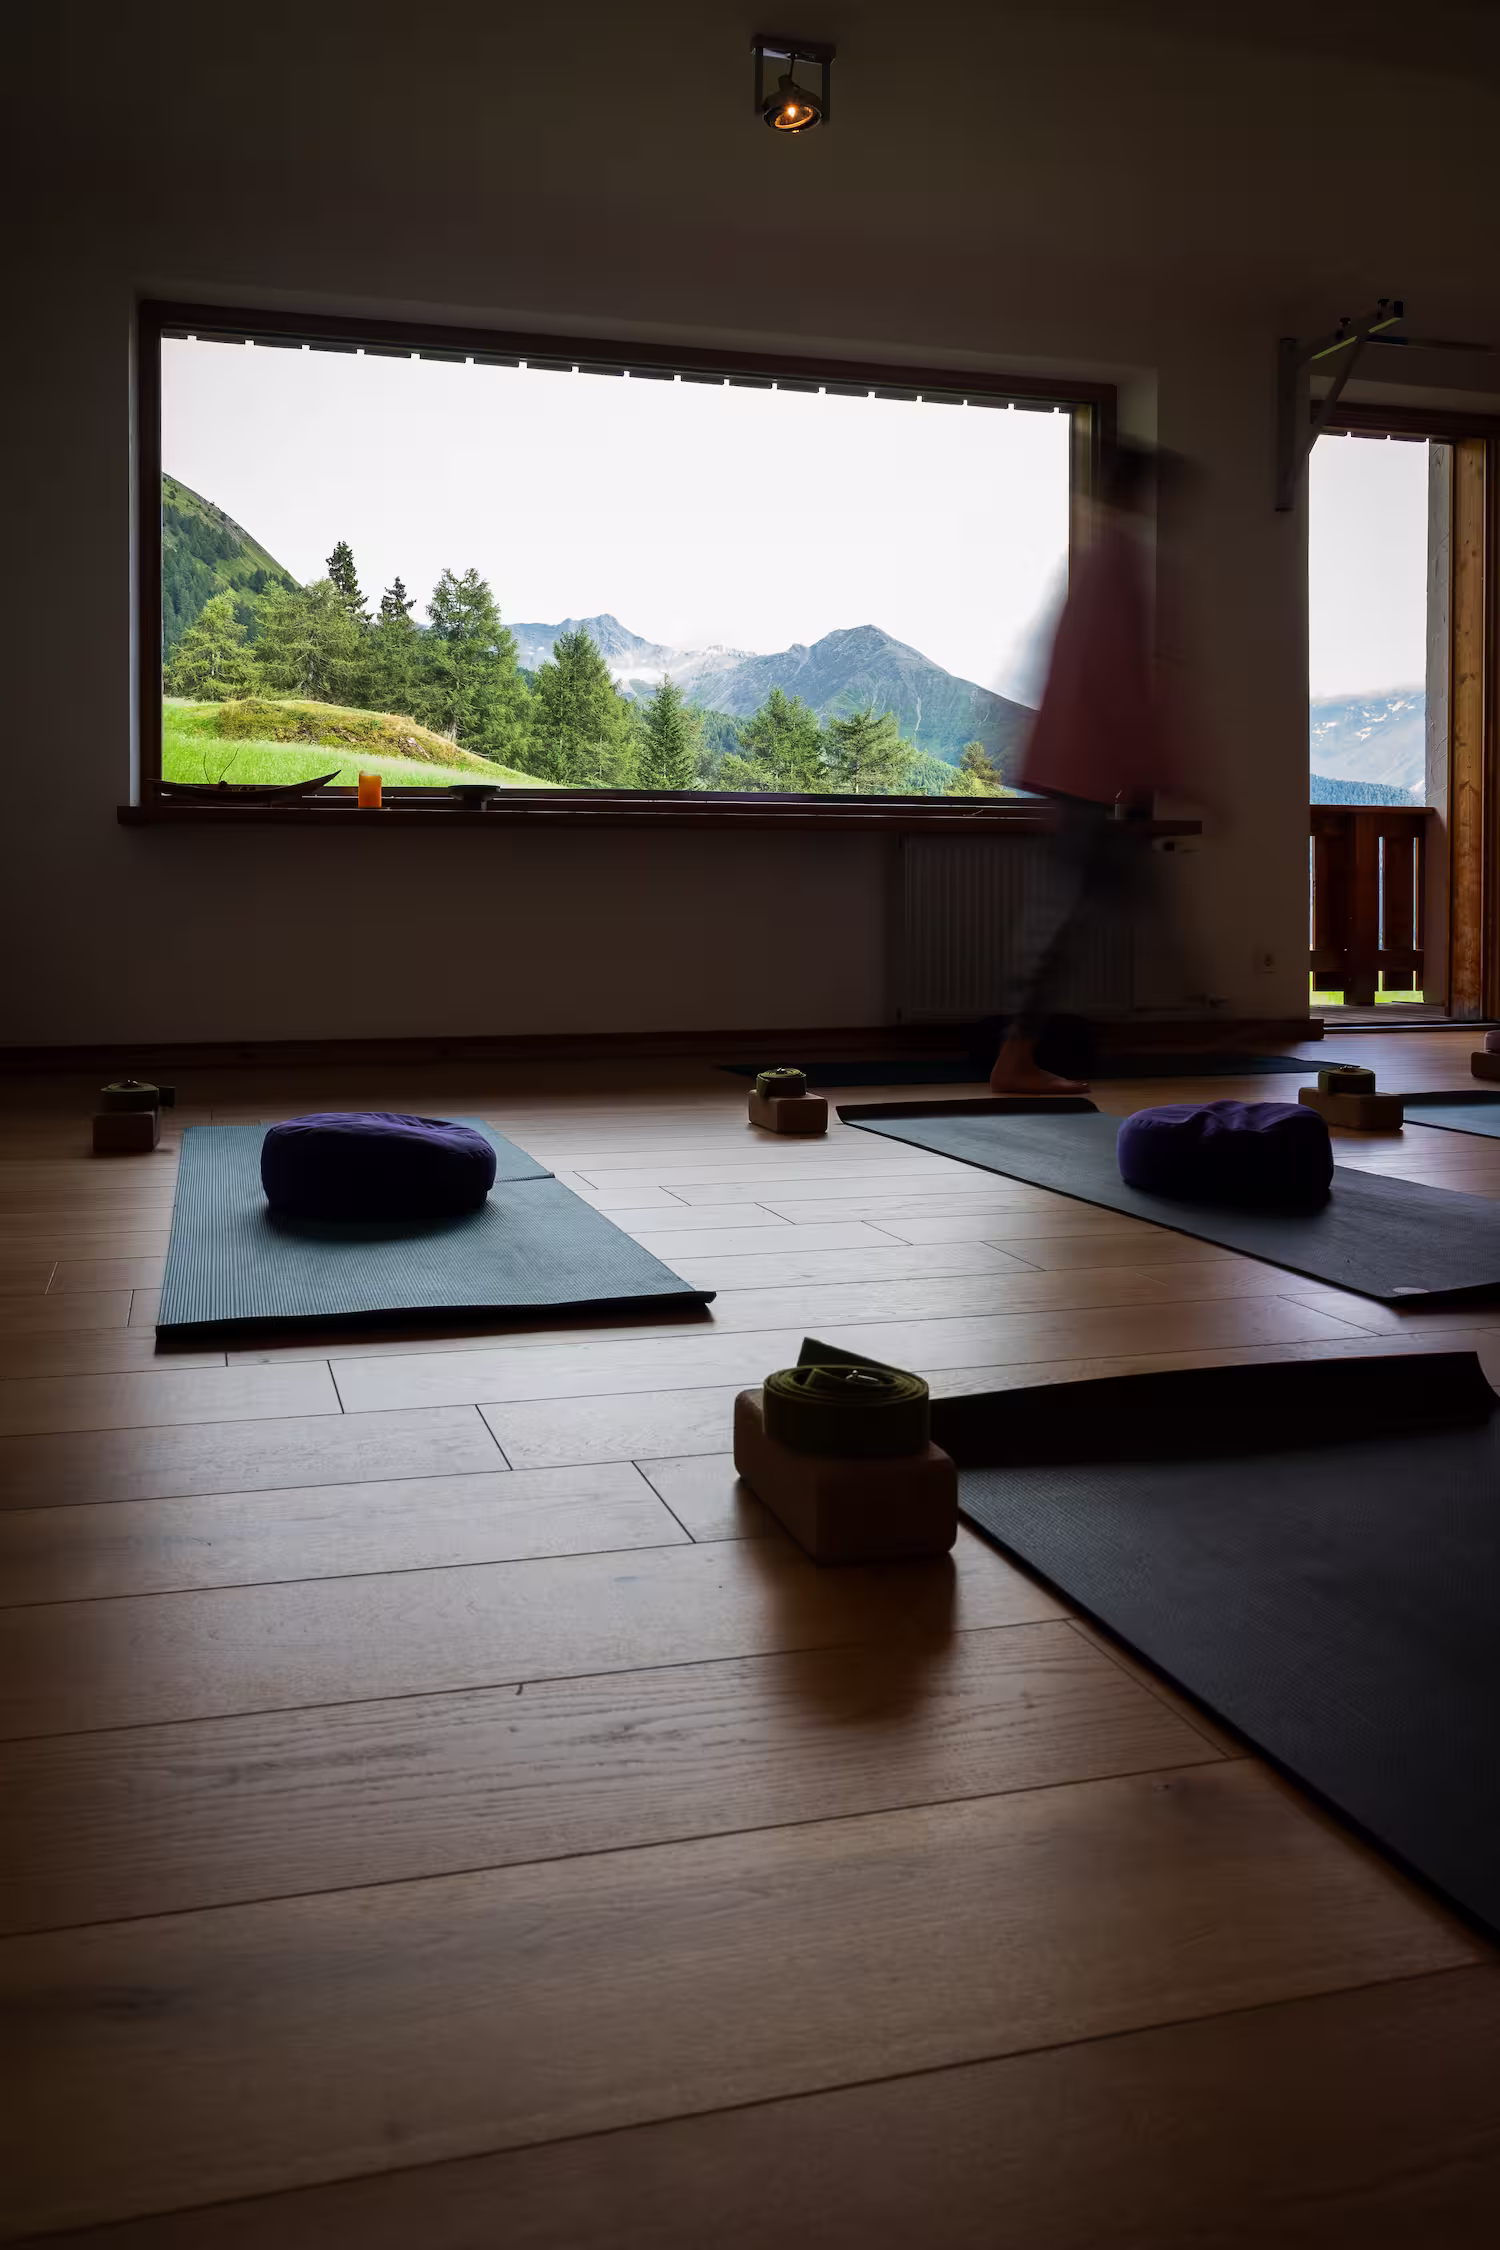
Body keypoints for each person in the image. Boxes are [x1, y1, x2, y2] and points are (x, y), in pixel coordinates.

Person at [989, 442, 1188, 1095]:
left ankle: (1019, 1055)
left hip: (1072, 767)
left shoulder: (1096, 559)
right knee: (1068, 919)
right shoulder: (1117, 563)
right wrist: (1158, 770)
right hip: (1082, 771)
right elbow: (1119, 679)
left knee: (1086, 911)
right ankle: (1016, 1059)